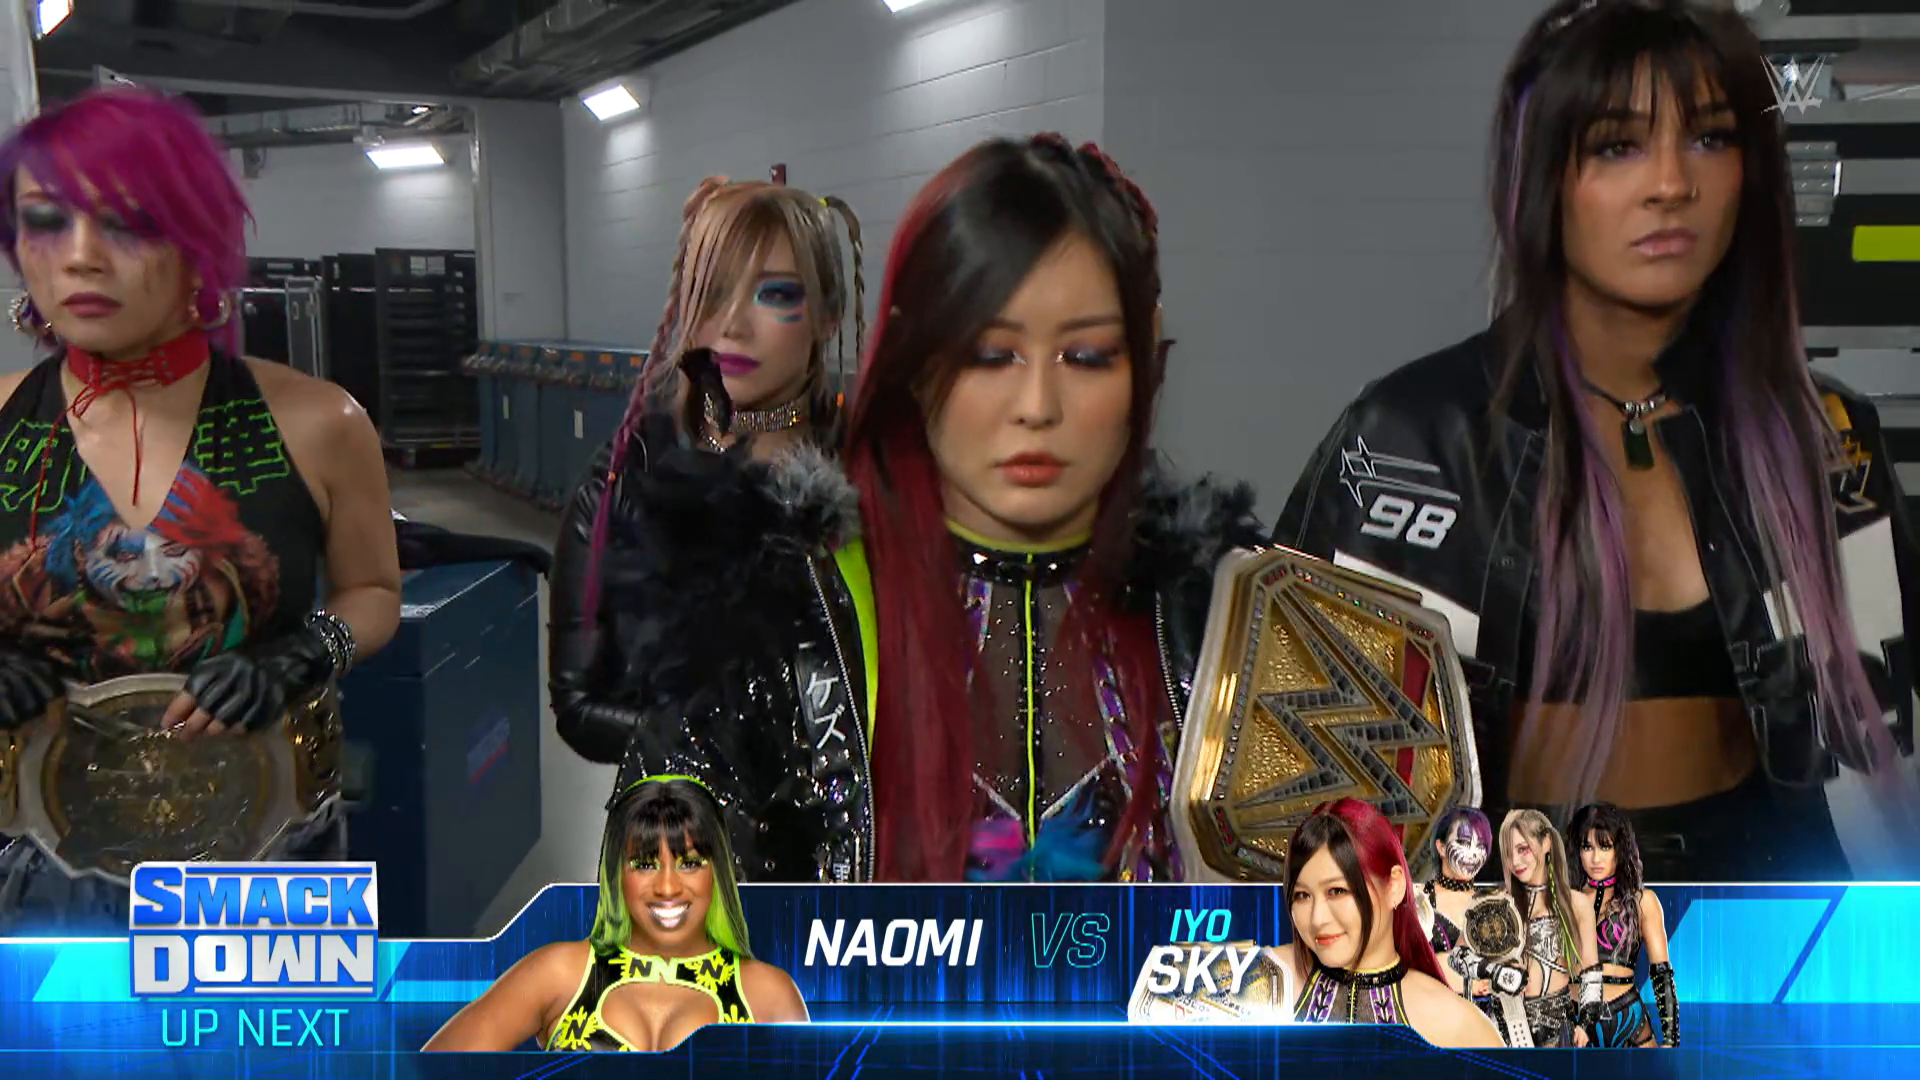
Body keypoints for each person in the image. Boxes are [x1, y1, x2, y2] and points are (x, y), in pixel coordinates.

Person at [1271, 0, 1920, 881]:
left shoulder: (1828, 439)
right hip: (1503, 930)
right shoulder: (1406, 441)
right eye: (1618, 146)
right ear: (1541, 178)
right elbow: (1302, 808)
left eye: (1711, 138)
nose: (1671, 184)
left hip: (1775, 920)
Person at [608, 134, 1265, 883]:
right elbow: (660, 917)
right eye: (989, 355)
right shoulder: (776, 618)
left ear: (1144, 363)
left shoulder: (1227, 623)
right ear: (915, 365)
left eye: (1086, 357)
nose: (1037, 405)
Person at [0, 88, 398, 924]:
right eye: (46, 220)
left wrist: (303, 652)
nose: (81, 256)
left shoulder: (318, 421)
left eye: (128, 222)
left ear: (197, 245)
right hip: (24, 855)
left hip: (266, 849)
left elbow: (372, 592)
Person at [548, 177, 863, 764]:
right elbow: (579, 706)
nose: (733, 323)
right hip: (678, 818)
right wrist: (726, 746)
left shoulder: (873, 478)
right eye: (711, 292)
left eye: (774, 293)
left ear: (828, 315)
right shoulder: (625, 478)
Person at [422, 775, 808, 1053]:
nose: (668, 887)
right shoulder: (560, 974)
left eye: (689, 863)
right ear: (615, 874)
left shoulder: (766, 995)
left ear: (718, 873)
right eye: (644, 864)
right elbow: (429, 1070)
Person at [1285, 798, 1504, 1048]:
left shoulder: (1457, 1024)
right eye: (1301, 895)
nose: (1317, 919)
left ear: (1395, 886)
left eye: (1337, 891)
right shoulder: (1266, 978)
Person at [1569, 801, 1677, 1048]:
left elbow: (1661, 975)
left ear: (1620, 849)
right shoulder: (1566, 901)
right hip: (1574, 1022)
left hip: (1627, 1020)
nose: (1595, 858)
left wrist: (1671, 1040)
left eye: (1605, 846)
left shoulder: (1643, 901)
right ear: (1578, 850)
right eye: (1587, 847)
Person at [1415, 807, 1527, 1012]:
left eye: (1481, 845)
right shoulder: (1418, 899)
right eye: (1464, 843)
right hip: (1432, 1014)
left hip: (1486, 1018)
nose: (1473, 853)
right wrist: (1466, 982)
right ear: (1441, 847)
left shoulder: (1496, 903)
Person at [1499, 808, 1593, 1047]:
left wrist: (1586, 1023)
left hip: (1559, 1030)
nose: (1515, 862)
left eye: (1523, 849)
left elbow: (1591, 972)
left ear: (1546, 843)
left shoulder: (1577, 904)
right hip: (1507, 1027)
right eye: (1508, 853)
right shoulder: (1500, 904)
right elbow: (1462, 959)